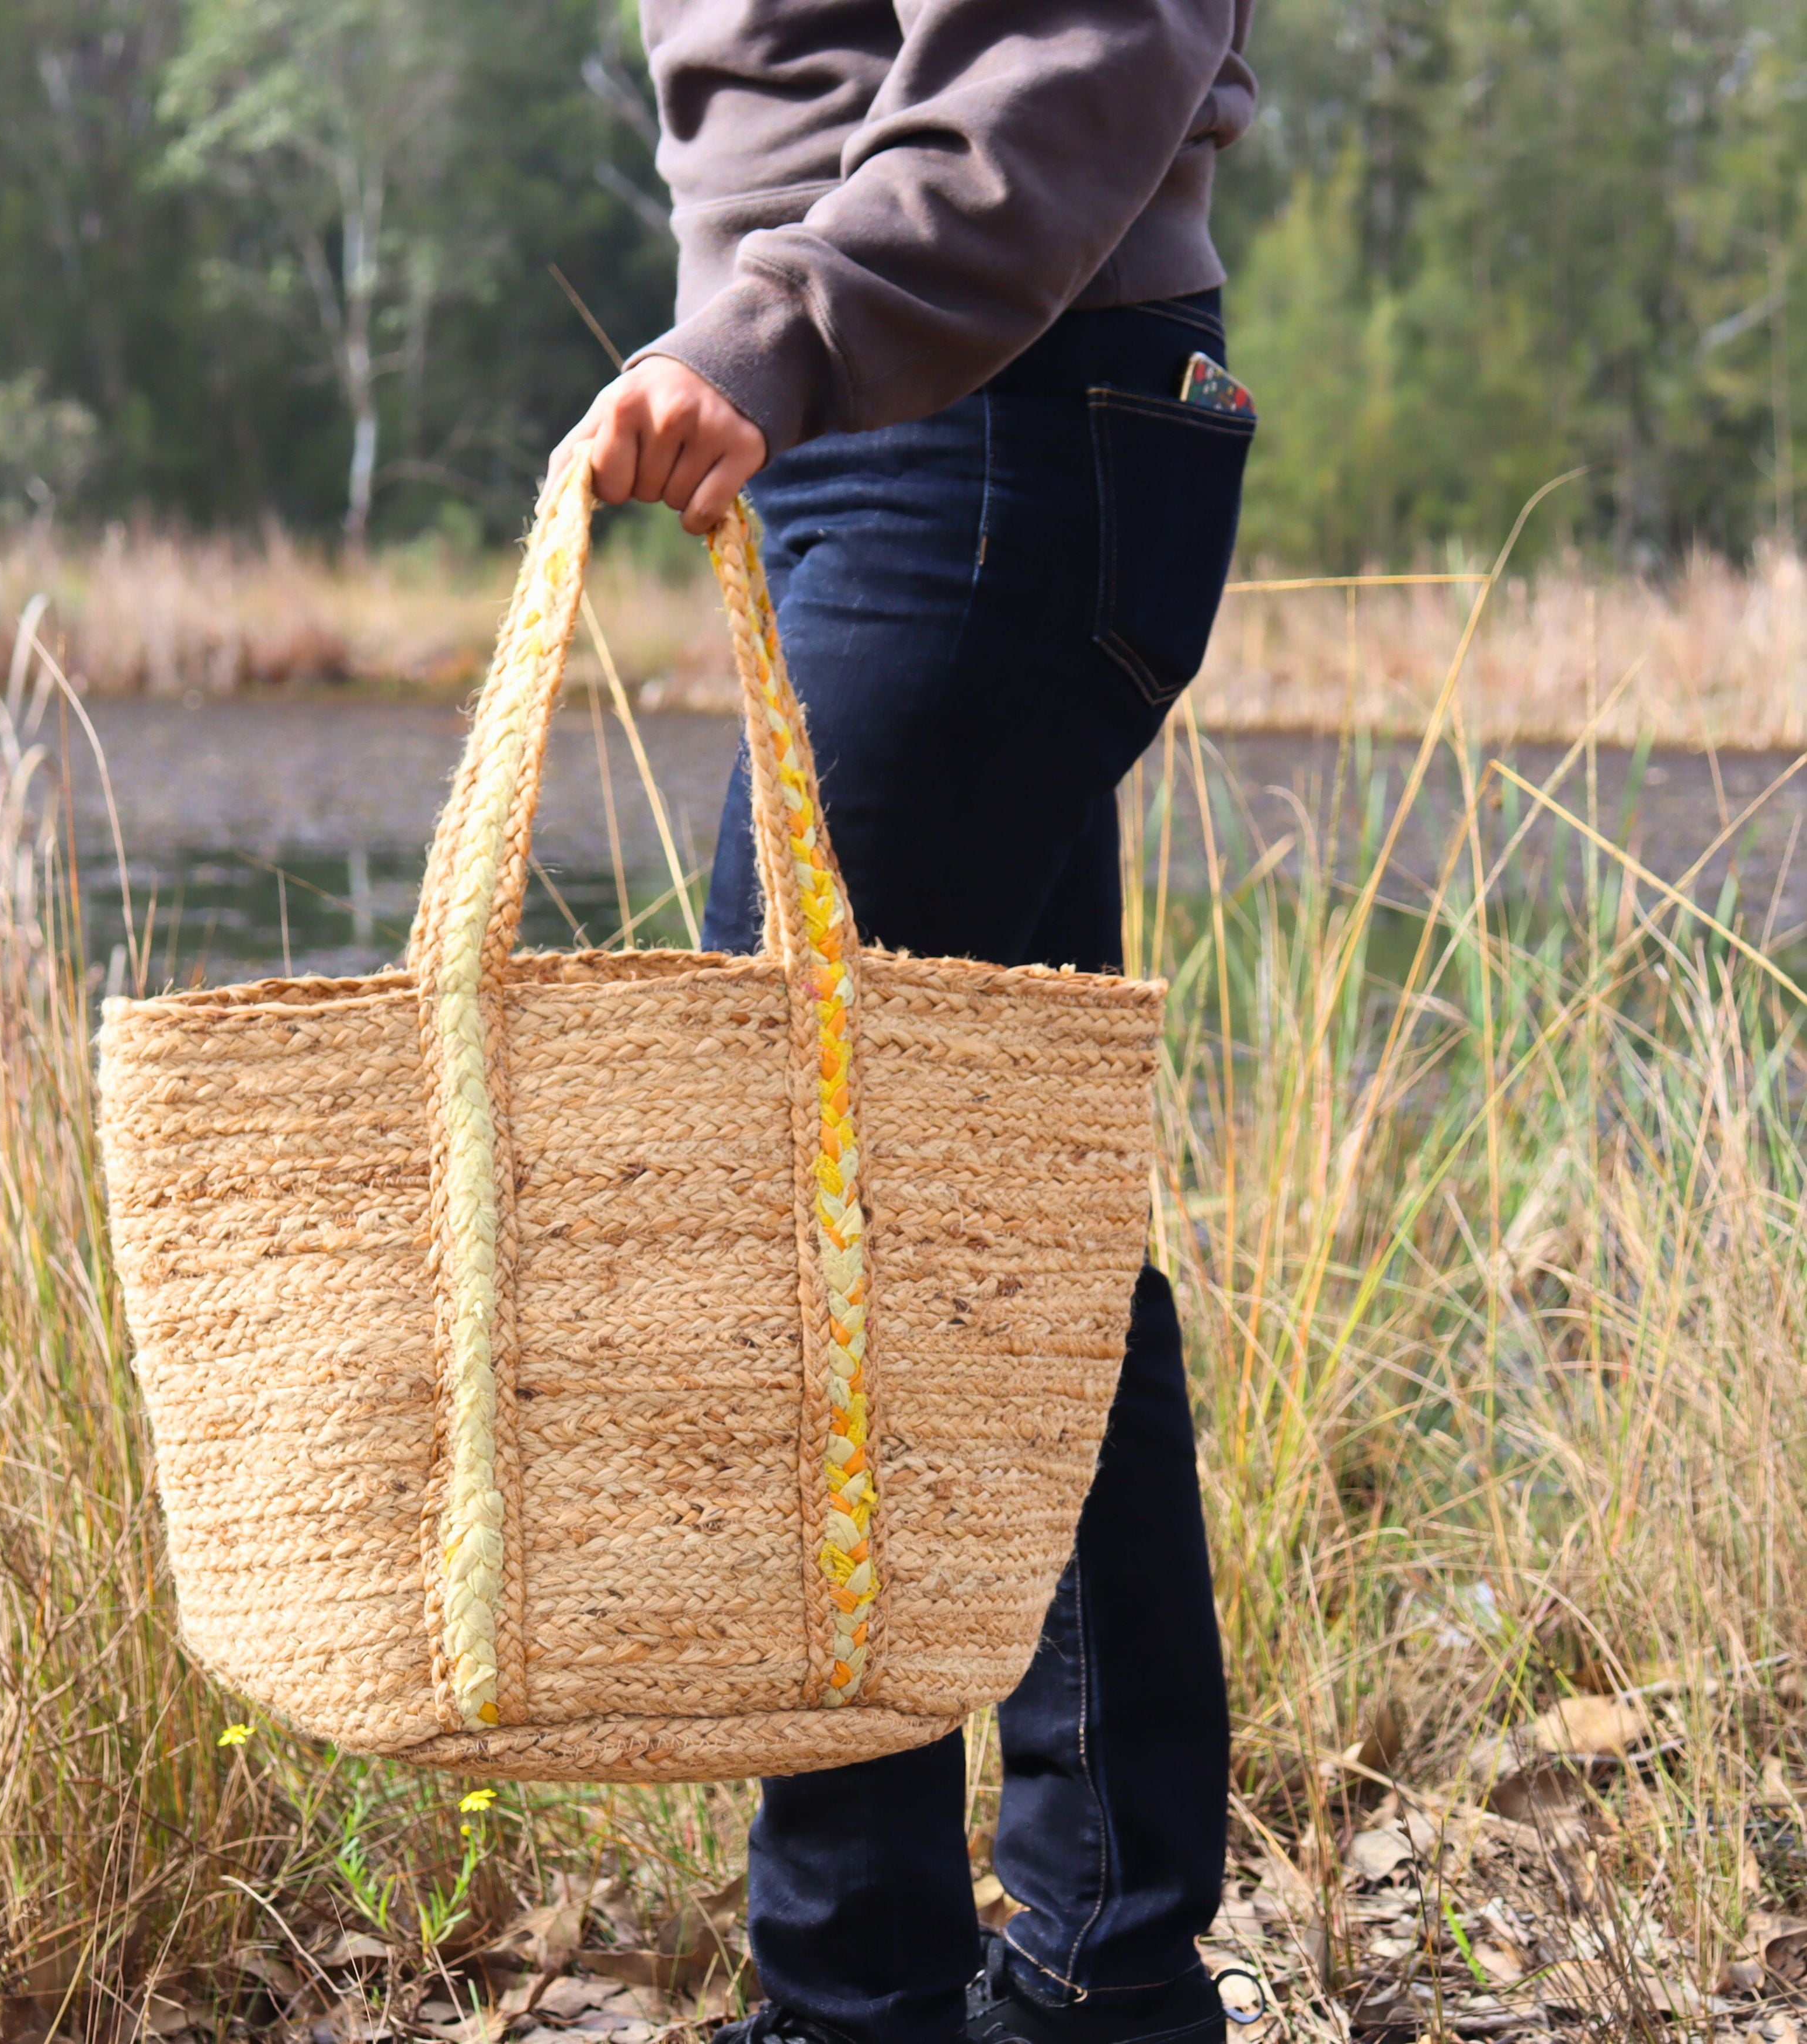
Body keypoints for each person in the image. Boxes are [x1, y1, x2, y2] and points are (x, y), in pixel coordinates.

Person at [557, 5, 1257, 2041]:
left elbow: (1086, 34)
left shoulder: (852, 339)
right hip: (913, 422)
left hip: (974, 408)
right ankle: (1098, 1959)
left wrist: (773, 326)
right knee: (986, 1226)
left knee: (806, 1219)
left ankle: (859, 1992)